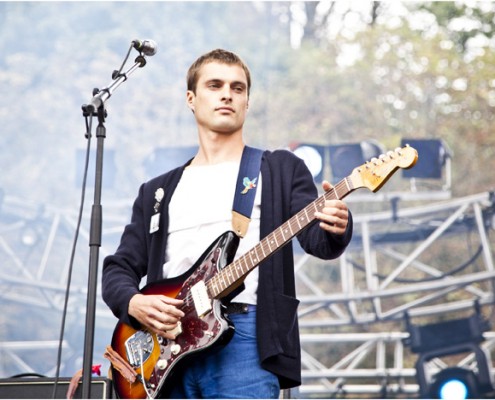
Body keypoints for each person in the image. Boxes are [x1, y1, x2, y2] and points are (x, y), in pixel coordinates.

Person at [102, 48, 353, 398]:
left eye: (238, 88)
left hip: (245, 336)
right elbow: (119, 267)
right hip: (165, 347)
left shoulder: (278, 168)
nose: (227, 94)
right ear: (191, 99)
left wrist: (336, 224)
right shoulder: (158, 190)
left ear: (247, 102)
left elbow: (317, 239)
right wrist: (133, 303)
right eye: (215, 85)